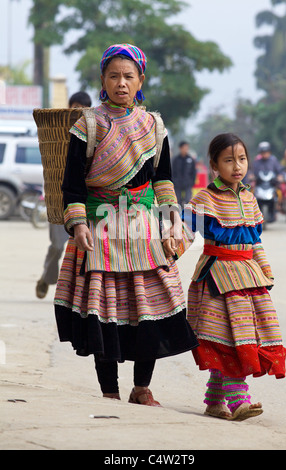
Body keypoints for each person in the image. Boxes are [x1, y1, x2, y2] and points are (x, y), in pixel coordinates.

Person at [53, 43, 198, 406]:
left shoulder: (154, 125)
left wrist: (172, 221)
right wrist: (78, 224)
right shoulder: (87, 123)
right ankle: (109, 390)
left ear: (140, 80)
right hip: (100, 228)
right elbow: (71, 184)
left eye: (128, 76)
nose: (121, 83)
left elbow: (163, 180)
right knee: (104, 310)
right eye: (114, 75)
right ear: (102, 79)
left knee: (149, 308)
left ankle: (142, 388)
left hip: (142, 227)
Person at [184, 133, 286, 420]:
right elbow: (185, 233)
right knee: (230, 337)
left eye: (241, 159)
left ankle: (215, 401)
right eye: (229, 160)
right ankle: (239, 399)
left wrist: (265, 271)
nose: (237, 166)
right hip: (217, 276)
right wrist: (166, 251)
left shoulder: (250, 198)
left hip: (249, 277)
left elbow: (255, 241)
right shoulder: (205, 198)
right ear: (214, 164)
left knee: (231, 336)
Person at [36, 91, 92, 299]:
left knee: (84, 250)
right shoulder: (57, 134)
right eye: (74, 107)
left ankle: (77, 296)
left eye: (82, 109)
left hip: (84, 203)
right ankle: (46, 278)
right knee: (57, 246)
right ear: (68, 106)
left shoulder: (93, 133)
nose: (77, 111)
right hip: (60, 200)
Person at [172, 141, 196, 206]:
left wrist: (192, 182)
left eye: (187, 148)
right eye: (184, 148)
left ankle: (187, 215)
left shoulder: (190, 159)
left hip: (188, 183)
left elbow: (193, 171)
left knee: (188, 200)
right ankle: (179, 215)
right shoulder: (175, 160)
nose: (186, 149)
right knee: (178, 201)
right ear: (180, 148)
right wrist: (174, 181)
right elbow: (173, 172)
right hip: (177, 184)